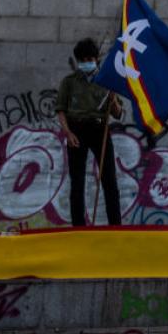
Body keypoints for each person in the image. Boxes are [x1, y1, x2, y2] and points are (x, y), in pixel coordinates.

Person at [56, 38, 124, 227]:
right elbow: (61, 110)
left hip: (100, 130)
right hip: (76, 130)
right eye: (83, 59)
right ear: (78, 61)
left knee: (109, 179)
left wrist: (113, 99)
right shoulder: (69, 82)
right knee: (77, 182)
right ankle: (78, 226)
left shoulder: (106, 81)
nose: (87, 62)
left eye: (90, 59)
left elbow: (118, 114)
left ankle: (115, 226)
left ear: (96, 59)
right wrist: (68, 133)